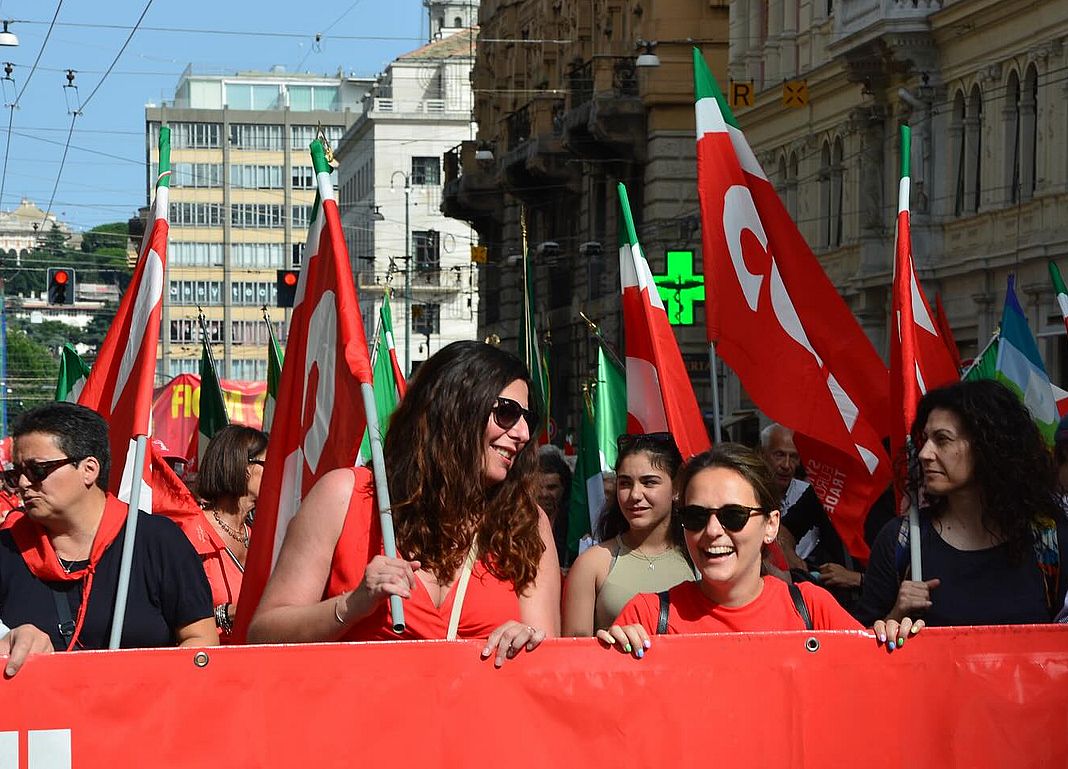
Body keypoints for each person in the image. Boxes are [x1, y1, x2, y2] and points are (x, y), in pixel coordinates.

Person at [248, 341, 561, 665]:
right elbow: (264, 634)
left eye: (528, 419)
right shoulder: (344, 496)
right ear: (454, 408)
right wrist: (352, 605)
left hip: (478, 714)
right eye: (507, 412)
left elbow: (549, 659)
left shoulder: (527, 521)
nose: (523, 433)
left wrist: (527, 641)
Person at [598, 443, 917, 655]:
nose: (712, 531)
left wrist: (889, 636)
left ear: (771, 525)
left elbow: (866, 692)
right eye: (696, 517)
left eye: (732, 516)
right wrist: (612, 659)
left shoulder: (812, 608)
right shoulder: (646, 616)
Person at [0, 402, 217, 650]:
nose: (24, 483)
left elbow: (201, 641)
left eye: (38, 470)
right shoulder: (6, 550)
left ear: (89, 470)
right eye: (17, 473)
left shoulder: (158, 541)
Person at [856, 379, 1068, 627]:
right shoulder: (901, 541)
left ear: (988, 446)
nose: (925, 454)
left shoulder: (1050, 539)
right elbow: (859, 649)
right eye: (924, 440)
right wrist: (893, 617)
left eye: (942, 440)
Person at [563, 433, 695, 636]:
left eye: (649, 482)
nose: (635, 495)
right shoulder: (592, 564)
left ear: (676, 488)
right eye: (625, 483)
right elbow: (574, 655)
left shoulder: (699, 557)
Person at [760, 423, 858, 595]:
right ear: (762, 454)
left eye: (794, 457)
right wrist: (790, 557)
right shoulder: (824, 491)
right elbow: (785, 530)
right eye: (779, 455)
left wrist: (856, 578)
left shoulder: (892, 502)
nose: (786, 465)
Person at [195, 424, 268, 639]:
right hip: (209, 661)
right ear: (244, 468)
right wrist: (225, 614)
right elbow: (169, 610)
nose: (277, 473)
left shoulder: (261, 537)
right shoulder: (191, 532)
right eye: (269, 464)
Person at [536, 446, 572, 566]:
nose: (544, 494)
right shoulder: (518, 521)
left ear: (564, 487)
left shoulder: (573, 523)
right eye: (538, 487)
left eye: (551, 487)